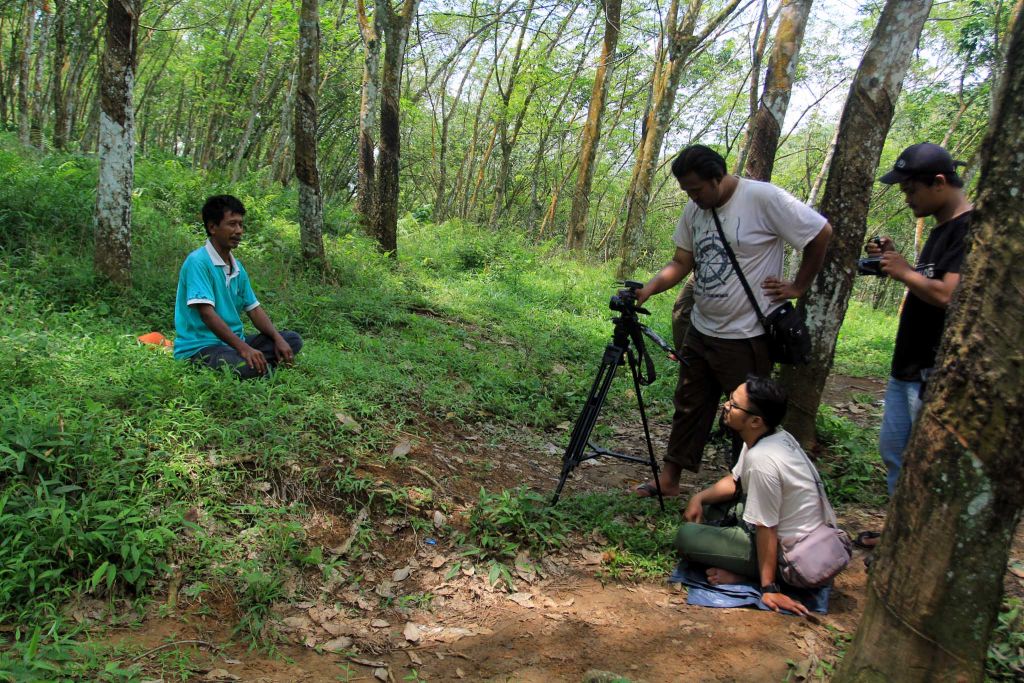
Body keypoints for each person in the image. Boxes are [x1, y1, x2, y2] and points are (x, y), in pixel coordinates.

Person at [634, 145, 832, 497]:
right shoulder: (694, 210)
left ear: (717, 177)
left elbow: (819, 233)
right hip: (702, 328)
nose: (692, 198)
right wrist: (649, 289)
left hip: (747, 335)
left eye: (696, 189)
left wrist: (799, 286)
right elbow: (682, 261)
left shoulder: (763, 198)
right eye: (686, 192)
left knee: (748, 416)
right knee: (689, 404)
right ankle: (670, 479)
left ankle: (749, 489)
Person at [855, 142, 972, 550]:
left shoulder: (970, 228)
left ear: (938, 182)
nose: (907, 198)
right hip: (908, 363)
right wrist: (896, 262)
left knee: (925, 465)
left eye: (910, 190)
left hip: (934, 370)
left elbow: (949, 296)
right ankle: (902, 536)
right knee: (896, 455)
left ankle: (923, 546)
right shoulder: (942, 228)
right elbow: (930, 282)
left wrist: (905, 273)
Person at [675, 376, 833, 615]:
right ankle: (745, 566)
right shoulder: (771, 436)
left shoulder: (763, 461)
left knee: (686, 536)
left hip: (792, 555)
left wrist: (768, 588)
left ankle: (749, 576)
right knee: (710, 508)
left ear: (756, 421)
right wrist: (698, 498)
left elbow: (767, 527)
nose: (726, 406)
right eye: (729, 400)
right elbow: (735, 482)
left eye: (734, 405)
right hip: (791, 531)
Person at [173, 194, 303, 378]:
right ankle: (258, 366)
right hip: (201, 347)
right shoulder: (198, 262)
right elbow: (207, 314)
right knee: (244, 365)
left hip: (232, 344)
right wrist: (244, 349)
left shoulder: (237, 267)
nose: (239, 230)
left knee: (292, 340)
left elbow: (254, 310)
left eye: (241, 224)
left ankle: (257, 363)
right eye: (232, 224)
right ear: (212, 227)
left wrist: (277, 338)